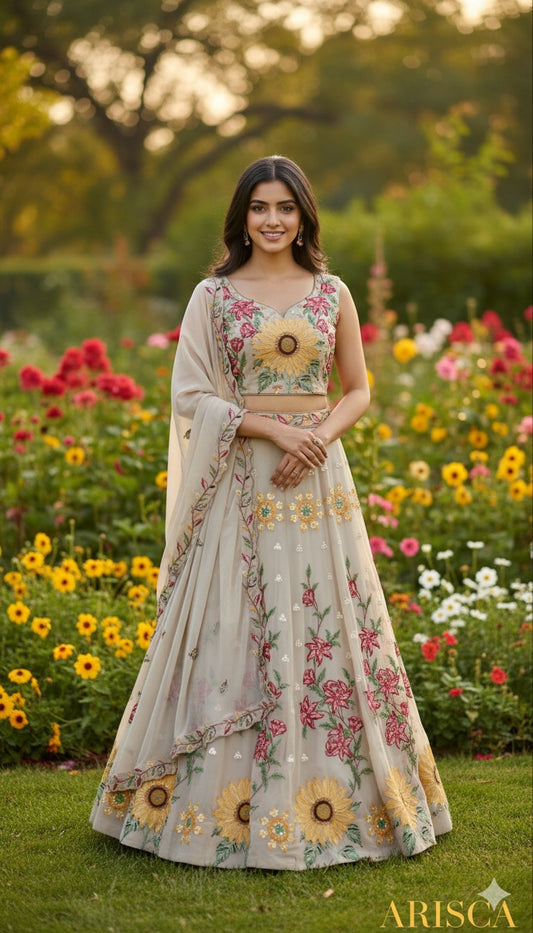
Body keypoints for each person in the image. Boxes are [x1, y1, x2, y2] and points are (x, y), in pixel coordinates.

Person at [90, 155, 452, 869]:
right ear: (242, 217)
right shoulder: (213, 296)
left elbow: (358, 389)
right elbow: (190, 395)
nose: (273, 219)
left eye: (286, 207)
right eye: (259, 207)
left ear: (304, 217)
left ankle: (351, 801)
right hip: (241, 479)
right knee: (231, 622)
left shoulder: (332, 292)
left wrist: (314, 438)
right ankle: (203, 810)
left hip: (317, 481)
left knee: (330, 622)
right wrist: (273, 431)